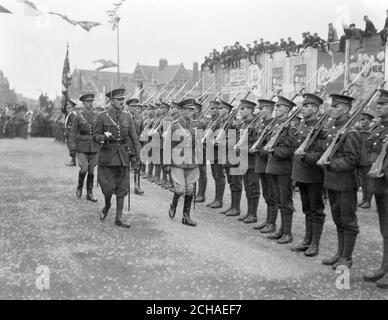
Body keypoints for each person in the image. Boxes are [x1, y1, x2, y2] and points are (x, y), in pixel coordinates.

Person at [320, 94, 361, 269]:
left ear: (345, 109)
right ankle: (340, 253)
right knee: (338, 220)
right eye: (331, 106)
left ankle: (347, 257)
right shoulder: (333, 129)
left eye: (335, 107)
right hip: (332, 181)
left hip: (345, 183)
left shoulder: (351, 132)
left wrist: (330, 163)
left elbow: (352, 160)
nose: (331, 109)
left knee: (348, 221)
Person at [93, 88, 141, 228]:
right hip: (107, 157)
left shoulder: (127, 117)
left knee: (122, 188)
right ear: (111, 101)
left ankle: (118, 218)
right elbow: (95, 136)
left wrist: (137, 156)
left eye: (122, 99)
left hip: (122, 157)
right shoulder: (102, 116)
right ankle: (107, 205)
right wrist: (104, 137)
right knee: (107, 189)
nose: (122, 102)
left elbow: (134, 138)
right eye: (119, 99)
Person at [290, 94, 326, 257]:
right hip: (302, 173)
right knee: (307, 208)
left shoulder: (321, 128)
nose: (303, 108)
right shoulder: (303, 126)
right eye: (303, 106)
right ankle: (307, 240)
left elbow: (321, 153)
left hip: (314, 174)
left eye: (308, 106)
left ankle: (315, 244)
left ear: (316, 109)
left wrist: (305, 155)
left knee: (316, 209)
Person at [363, 89, 388, 289]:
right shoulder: (379, 127)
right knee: (385, 230)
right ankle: (384, 267)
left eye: (383, 104)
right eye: (378, 104)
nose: (378, 106)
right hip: (380, 186)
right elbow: (371, 152)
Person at [266, 96, 296, 245]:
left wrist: (273, 150)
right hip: (273, 167)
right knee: (278, 201)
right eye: (276, 107)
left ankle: (287, 233)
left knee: (286, 202)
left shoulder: (291, 126)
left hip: (284, 169)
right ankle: (281, 230)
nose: (276, 109)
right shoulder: (276, 124)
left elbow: (290, 149)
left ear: (286, 109)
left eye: (278, 107)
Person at [167, 98, 201, 227]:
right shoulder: (174, 125)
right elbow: (167, 145)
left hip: (192, 161)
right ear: (181, 110)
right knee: (180, 189)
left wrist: (200, 159)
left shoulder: (197, 125)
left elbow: (198, 144)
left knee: (190, 189)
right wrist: (166, 163)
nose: (190, 112)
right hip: (178, 160)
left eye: (192, 110)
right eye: (187, 109)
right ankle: (174, 203)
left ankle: (186, 216)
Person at [69, 93, 100, 202]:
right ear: (83, 103)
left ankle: (89, 193)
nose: (90, 104)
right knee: (84, 168)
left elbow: (99, 131)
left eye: (91, 102)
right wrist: (72, 148)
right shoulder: (78, 116)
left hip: (94, 147)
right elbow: (73, 132)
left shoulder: (97, 115)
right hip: (82, 146)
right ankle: (79, 186)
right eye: (87, 102)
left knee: (91, 171)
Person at [253, 99, 277, 233]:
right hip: (261, 163)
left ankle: (272, 223)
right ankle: (268, 220)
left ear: (269, 109)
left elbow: (269, 146)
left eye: (262, 109)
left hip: (268, 163)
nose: (260, 111)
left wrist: (260, 150)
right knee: (267, 194)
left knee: (272, 194)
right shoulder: (262, 124)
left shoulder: (273, 125)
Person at [235, 99, 260, 224]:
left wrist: (243, 147)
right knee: (247, 187)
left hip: (253, 161)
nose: (240, 111)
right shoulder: (243, 124)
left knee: (254, 187)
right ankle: (249, 212)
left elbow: (256, 143)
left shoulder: (257, 124)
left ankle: (253, 214)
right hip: (244, 159)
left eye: (243, 109)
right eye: (240, 109)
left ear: (250, 110)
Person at [125, 98, 145, 195]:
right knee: (124, 166)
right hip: (125, 145)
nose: (134, 108)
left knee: (137, 166)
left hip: (136, 145)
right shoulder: (123, 116)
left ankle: (137, 186)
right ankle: (124, 185)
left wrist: (141, 146)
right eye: (132, 106)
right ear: (128, 107)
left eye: (136, 106)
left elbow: (142, 132)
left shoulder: (140, 118)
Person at [356, 111, 374, 209]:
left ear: (369, 121)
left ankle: (368, 201)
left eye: (365, 120)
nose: (363, 122)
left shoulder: (371, 132)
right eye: (361, 120)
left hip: (367, 160)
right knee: (362, 181)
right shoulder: (358, 131)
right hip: (358, 160)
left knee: (368, 181)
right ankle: (363, 199)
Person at [64, 99, 78, 166]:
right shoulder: (70, 114)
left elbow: (73, 125)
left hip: (71, 133)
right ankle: (72, 160)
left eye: (69, 107)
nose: (67, 108)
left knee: (72, 147)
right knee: (70, 147)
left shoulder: (72, 114)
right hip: (69, 133)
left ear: (72, 107)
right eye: (67, 107)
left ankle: (73, 161)